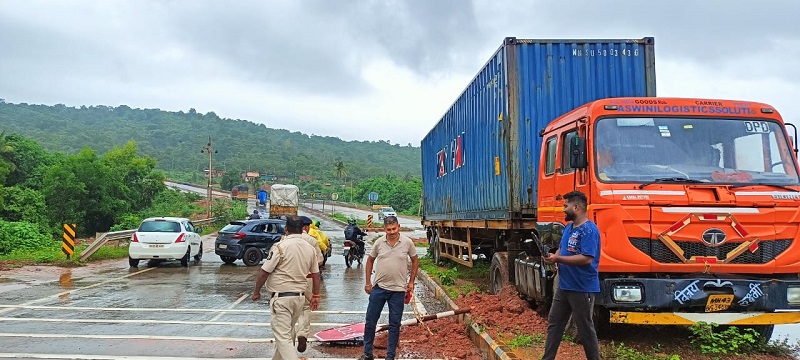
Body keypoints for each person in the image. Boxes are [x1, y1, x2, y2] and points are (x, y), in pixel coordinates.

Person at [541, 191, 601, 360]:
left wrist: (558, 258)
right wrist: (554, 260)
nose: (563, 209)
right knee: (555, 323)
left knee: (585, 328)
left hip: (581, 287)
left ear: (576, 207)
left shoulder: (589, 230)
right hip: (564, 286)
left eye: (566, 206)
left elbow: (587, 259)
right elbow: (562, 247)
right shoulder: (568, 227)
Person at [252, 215, 320, 360]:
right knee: (287, 334)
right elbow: (316, 275)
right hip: (299, 298)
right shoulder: (310, 248)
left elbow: (264, 272)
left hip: (282, 299)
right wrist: (315, 296)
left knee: (283, 338)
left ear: (286, 229)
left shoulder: (280, 247)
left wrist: (256, 291)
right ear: (302, 229)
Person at [359, 216, 419, 360]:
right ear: (384, 229)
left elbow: (415, 260)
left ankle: (390, 356)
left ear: (399, 226)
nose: (392, 232)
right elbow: (370, 260)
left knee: (394, 325)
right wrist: (368, 283)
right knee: (370, 322)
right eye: (388, 229)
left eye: (394, 228)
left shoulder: (407, 243)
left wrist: (411, 282)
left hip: (398, 291)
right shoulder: (379, 242)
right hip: (379, 289)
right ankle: (367, 353)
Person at [296, 216, 325, 353]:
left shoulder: (285, 239)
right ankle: (302, 333)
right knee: (305, 308)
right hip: (307, 279)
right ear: (307, 227)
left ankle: (288, 338)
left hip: (288, 280)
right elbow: (319, 261)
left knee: (288, 309)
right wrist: (316, 293)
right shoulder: (312, 240)